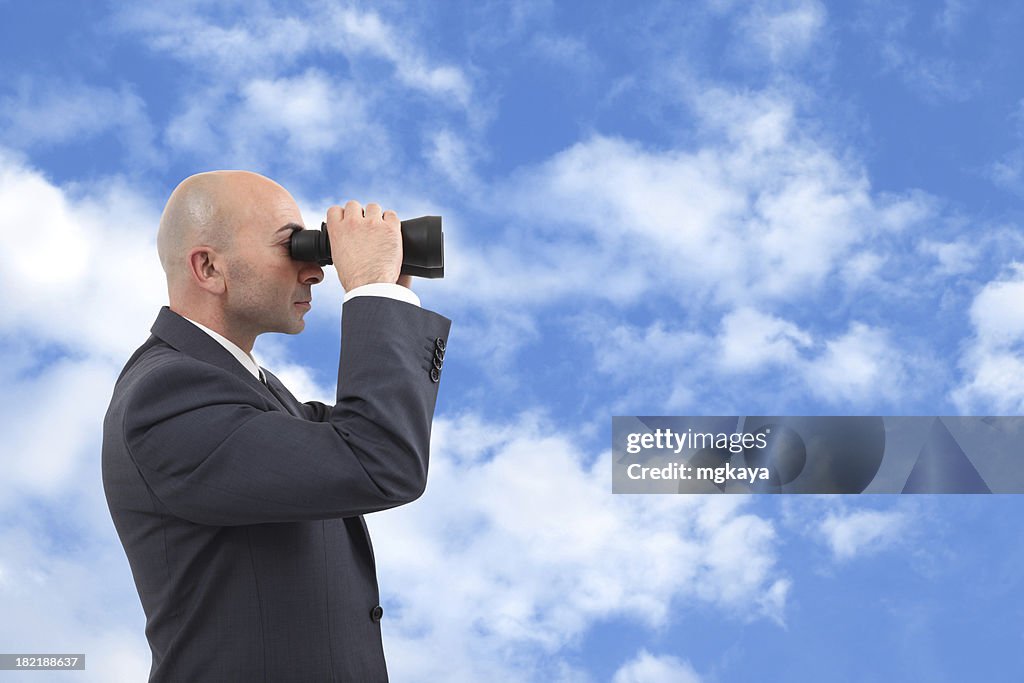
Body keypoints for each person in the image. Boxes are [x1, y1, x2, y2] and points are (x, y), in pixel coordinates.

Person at [101, 170, 450, 682]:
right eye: (293, 246)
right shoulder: (168, 395)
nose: (315, 270)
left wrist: (389, 287)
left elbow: (368, 435)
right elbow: (381, 459)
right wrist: (373, 293)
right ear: (209, 267)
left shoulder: (247, 387)